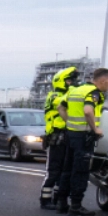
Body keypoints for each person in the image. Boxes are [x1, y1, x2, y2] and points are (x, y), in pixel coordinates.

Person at [54, 68, 108, 216]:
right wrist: (95, 129)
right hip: (83, 137)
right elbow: (87, 111)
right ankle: (76, 205)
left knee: (67, 168)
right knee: (80, 171)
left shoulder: (75, 89)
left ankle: (61, 202)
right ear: (103, 80)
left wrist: (70, 123)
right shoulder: (94, 93)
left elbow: (60, 107)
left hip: (71, 134)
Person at [40, 66, 77, 208]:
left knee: (63, 171)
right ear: (60, 81)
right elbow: (67, 102)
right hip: (56, 137)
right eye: (69, 81)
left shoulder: (64, 95)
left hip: (66, 137)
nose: (72, 83)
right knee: (53, 170)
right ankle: (45, 200)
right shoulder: (55, 96)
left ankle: (57, 198)